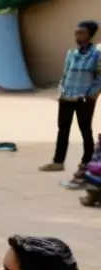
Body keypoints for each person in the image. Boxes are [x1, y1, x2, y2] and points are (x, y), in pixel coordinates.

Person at [40, 21, 101, 184]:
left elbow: (99, 77)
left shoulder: (97, 54)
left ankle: (87, 162)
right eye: (76, 32)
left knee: (85, 129)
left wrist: (91, 95)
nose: (77, 35)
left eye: (81, 32)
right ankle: (58, 162)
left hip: (84, 99)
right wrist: (62, 90)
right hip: (67, 97)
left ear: (90, 34)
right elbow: (65, 74)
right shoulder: (71, 54)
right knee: (63, 128)